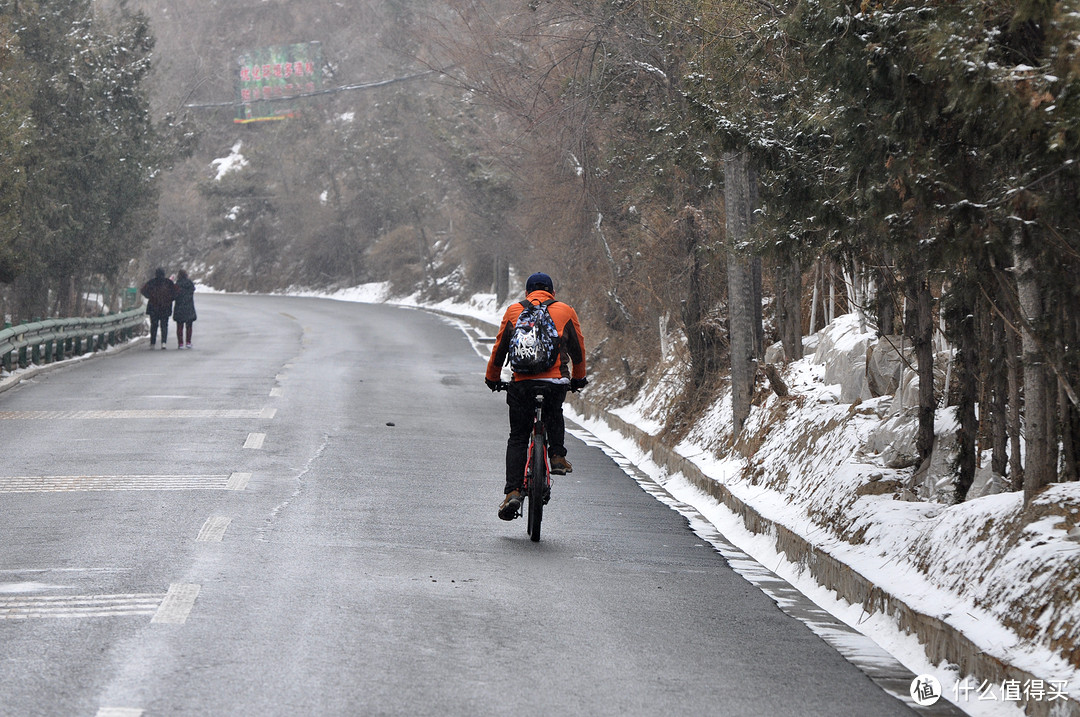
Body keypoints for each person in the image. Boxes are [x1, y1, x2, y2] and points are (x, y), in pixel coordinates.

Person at [485, 272, 587, 521]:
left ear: (527, 291)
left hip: (522, 384)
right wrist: (577, 378)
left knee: (518, 436)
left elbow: (500, 348)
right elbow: (578, 349)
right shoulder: (565, 311)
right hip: (554, 383)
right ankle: (557, 455)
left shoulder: (514, 311)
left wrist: (493, 377)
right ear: (551, 290)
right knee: (554, 411)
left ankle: (512, 492)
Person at [140, 267, 176, 350]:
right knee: (164, 325)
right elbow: (176, 293)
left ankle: (152, 343)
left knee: (154, 325)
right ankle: (164, 343)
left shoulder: (151, 282)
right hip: (165, 307)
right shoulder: (168, 283)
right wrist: (169, 299)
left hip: (153, 307)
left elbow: (143, 290)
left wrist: (150, 296)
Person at [172, 269, 197, 349]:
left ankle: (180, 343)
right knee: (189, 326)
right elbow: (192, 291)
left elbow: (174, 295)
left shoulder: (177, 284)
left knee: (179, 326)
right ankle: (188, 342)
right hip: (189, 306)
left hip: (179, 307)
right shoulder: (190, 283)